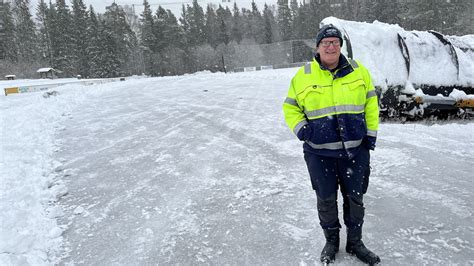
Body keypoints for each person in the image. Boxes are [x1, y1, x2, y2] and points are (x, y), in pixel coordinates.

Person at [282, 24, 381, 265]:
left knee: (355, 198)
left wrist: (370, 135)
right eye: (326, 42)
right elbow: (290, 107)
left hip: (355, 151)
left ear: (340, 47)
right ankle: (331, 242)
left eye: (335, 42)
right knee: (326, 199)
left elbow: (371, 104)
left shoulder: (359, 72)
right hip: (319, 153)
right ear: (317, 47)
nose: (331, 46)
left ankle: (355, 243)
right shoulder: (303, 75)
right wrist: (302, 129)